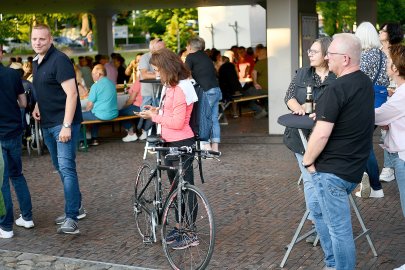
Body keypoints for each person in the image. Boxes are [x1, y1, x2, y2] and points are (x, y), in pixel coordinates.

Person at [302, 33, 374, 269]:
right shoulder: (364, 82)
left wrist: (308, 161)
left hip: (332, 171)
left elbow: (321, 134)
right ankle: (332, 263)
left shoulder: (335, 88)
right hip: (353, 169)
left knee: (339, 231)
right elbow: (354, 117)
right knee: (326, 220)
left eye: (330, 54)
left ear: (344, 59)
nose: (326, 57)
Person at [139, 48, 198, 249]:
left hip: (181, 142)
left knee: (186, 189)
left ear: (167, 68)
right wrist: (157, 110)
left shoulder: (181, 88)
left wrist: (153, 117)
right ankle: (181, 226)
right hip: (169, 142)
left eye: (157, 69)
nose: (156, 73)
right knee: (176, 189)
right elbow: (171, 113)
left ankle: (190, 232)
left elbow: (178, 122)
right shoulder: (172, 86)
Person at [31, 23, 85, 235]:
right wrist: (37, 105)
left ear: (50, 39)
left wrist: (66, 125)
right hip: (47, 123)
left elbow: (72, 94)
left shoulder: (59, 60)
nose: (38, 42)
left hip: (62, 125)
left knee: (67, 168)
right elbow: (44, 89)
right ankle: (76, 207)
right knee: (60, 167)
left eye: (42, 39)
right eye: (34, 39)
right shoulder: (37, 61)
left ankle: (72, 218)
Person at [283, 37, 336, 244]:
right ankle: (317, 222)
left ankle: (329, 221)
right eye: (309, 51)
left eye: (314, 51)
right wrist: (299, 108)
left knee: (326, 179)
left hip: (329, 138)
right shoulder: (302, 73)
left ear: (326, 54)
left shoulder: (337, 76)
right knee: (310, 179)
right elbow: (288, 96)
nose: (309, 54)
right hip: (302, 138)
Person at [375, 44, 405, 270]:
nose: (386, 65)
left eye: (388, 62)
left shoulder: (402, 95)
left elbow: (378, 116)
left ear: (395, 67)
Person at [0, 44, 34, 238]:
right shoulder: (13, 75)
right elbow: (23, 103)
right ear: (2, 54)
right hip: (13, 132)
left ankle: (6, 227)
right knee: (17, 175)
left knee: (2, 182)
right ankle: (27, 218)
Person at [354, 21, 389, 199]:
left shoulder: (364, 56)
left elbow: (357, 79)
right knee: (364, 140)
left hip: (367, 99)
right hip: (381, 98)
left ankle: (374, 185)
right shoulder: (382, 55)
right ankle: (367, 179)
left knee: (363, 142)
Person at [185, 36, 222, 152]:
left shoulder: (190, 57)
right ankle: (215, 148)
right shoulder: (206, 57)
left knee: (203, 118)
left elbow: (185, 73)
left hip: (205, 91)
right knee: (214, 119)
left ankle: (206, 148)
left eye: (187, 46)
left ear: (190, 47)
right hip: (216, 90)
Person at [378, 22, 404, 183]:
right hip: (385, 93)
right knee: (386, 129)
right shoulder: (378, 52)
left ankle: (389, 167)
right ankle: (389, 167)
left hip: (396, 91)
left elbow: (377, 116)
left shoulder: (399, 52)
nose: (380, 32)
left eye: (383, 30)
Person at [82, 64, 118, 146]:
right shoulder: (112, 83)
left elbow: (89, 105)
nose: (92, 76)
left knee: (77, 116)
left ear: (98, 74)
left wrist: (88, 114)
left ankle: (82, 142)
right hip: (114, 114)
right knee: (94, 113)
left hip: (101, 115)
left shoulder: (95, 86)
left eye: (93, 74)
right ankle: (95, 139)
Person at [137, 38, 166, 138]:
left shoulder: (165, 57)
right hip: (149, 91)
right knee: (146, 111)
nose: (164, 50)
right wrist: (159, 74)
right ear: (153, 48)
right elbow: (144, 75)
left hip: (162, 91)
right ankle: (146, 130)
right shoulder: (145, 57)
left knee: (161, 112)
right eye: (161, 48)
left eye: (164, 47)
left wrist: (155, 74)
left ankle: (157, 134)